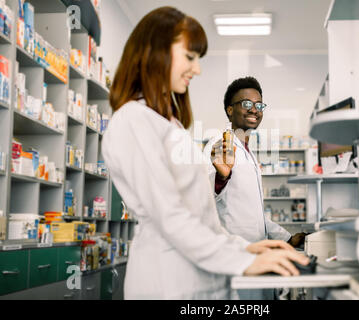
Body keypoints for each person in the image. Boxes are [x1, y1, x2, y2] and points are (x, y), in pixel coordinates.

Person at [102, 6, 309, 300]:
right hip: (167, 282)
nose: (197, 69)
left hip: (198, 279)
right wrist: (243, 259)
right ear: (155, 52)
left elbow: (201, 216)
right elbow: (171, 217)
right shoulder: (133, 121)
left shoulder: (167, 124)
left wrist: (245, 247)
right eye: (189, 57)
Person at [203, 77, 306, 299]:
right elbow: (205, 197)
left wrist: (287, 238)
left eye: (259, 105)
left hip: (256, 257)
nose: (255, 110)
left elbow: (253, 212)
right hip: (235, 259)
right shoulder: (219, 145)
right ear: (230, 110)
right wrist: (222, 177)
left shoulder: (247, 152)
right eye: (247, 104)